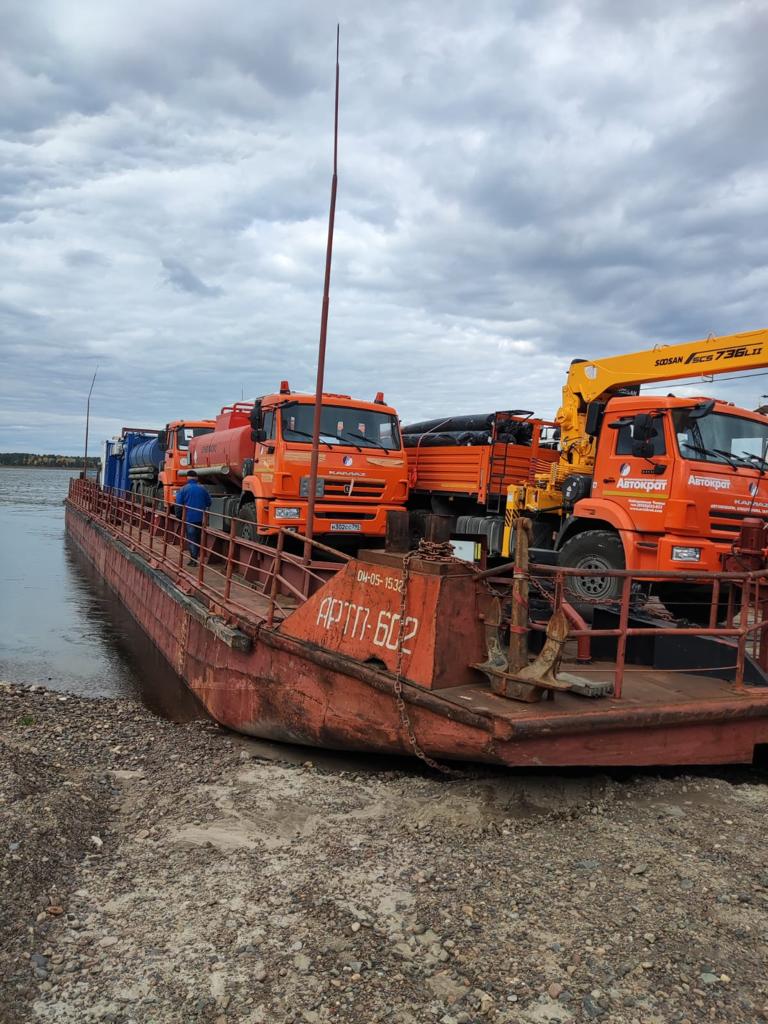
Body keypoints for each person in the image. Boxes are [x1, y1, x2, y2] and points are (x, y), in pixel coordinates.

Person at [175, 470, 212, 566]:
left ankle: (193, 559)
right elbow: (209, 502)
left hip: (189, 518)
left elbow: (178, 504)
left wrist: (179, 516)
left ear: (187, 478)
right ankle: (195, 558)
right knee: (198, 538)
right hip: (200, 518)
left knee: (191, 538)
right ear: (197, 478)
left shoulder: (183, 489)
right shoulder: (203, 489)